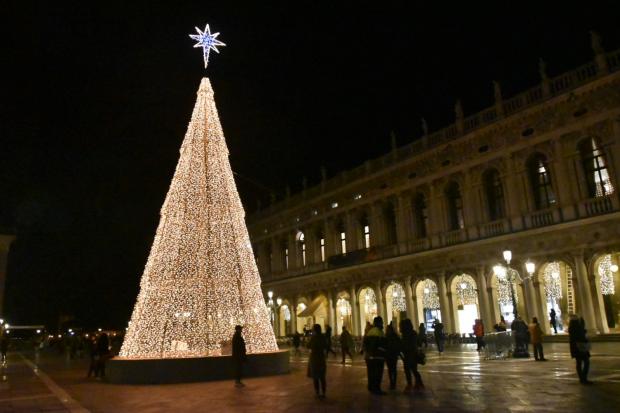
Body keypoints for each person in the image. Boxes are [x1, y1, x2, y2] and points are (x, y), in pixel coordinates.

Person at [363, 316, 387, 395]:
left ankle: (371, 387)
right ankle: (377, 389)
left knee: (371, 373)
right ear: (379, 323)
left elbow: (366, 344)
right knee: (377, 374)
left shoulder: (370, 331)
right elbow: (376, 345)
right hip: (377, 357)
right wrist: (383, 351)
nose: (382, 324)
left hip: (370, 357)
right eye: (381, 322)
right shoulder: (378, 332)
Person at [400, 319, 424, 391]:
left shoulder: (405, 334)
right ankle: (418, 383)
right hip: (413, 354)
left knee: (408, 370)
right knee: (414, 370)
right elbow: (419, 343)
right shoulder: (413, 333)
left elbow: (405, 344)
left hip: (409, 354)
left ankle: (410, 384)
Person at [569, 315, 592, 385]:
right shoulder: (578, 328)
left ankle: (581, 378)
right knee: (586, 362)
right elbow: (582, 335)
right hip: (581, 347)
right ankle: (584, 378)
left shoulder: (571, 329)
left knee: (578, 363)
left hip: (575, 348)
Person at [307, 324, 327, 399]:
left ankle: (317, 392)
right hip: (321, 358)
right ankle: (324, 392)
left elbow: (308, 345)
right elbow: (325, 345)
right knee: (322, 377)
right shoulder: (323, 337)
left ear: (314, 330)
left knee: (316, 377)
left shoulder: (314, 338)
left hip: (315, 359)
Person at [384, 324, 401, 390]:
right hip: (392, 355)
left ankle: (393, 382)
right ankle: (392, 382)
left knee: (391, 369)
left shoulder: (387, 337)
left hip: (390, 355)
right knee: (392, 369)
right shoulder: (395, 336)